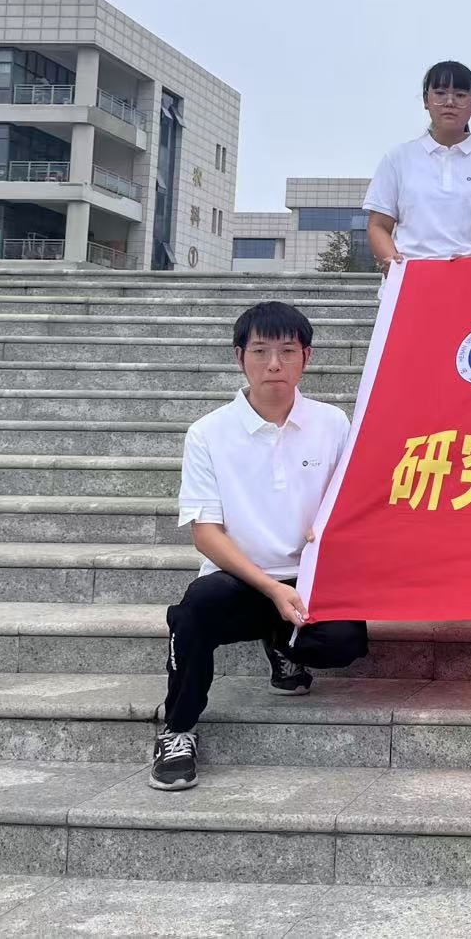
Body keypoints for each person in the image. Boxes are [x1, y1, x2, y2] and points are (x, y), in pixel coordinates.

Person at [150, 302, 367, 791]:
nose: (274, 364)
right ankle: (177, 730)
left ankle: (283, 645)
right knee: (196, 611)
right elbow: (206, 533)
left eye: (287, 351)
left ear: (306, 357)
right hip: (241, 578)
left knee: (345, 643)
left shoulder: (332, 423)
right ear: (239, 357)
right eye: (261, 351)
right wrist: (271, 588)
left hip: (309, 579)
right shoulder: (208, 433)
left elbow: (350, 500)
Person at [364, 60, 471, 274]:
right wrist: (392, 262)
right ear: (426, 100)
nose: (450, 102)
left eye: (460, 95)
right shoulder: (398, 158)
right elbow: (378, 225)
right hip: (410, 277)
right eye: (440, 93)